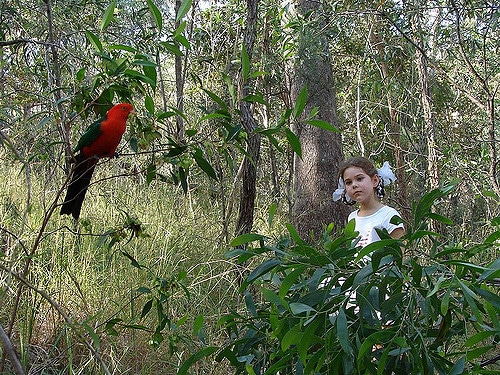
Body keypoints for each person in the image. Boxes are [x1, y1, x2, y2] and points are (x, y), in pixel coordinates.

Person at [333, 156, 405, 247]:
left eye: (359, 179)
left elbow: (400, 254)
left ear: (375, 180)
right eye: (348, 182)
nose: (354, 185)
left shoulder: (389, 215)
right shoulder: (352, 217)